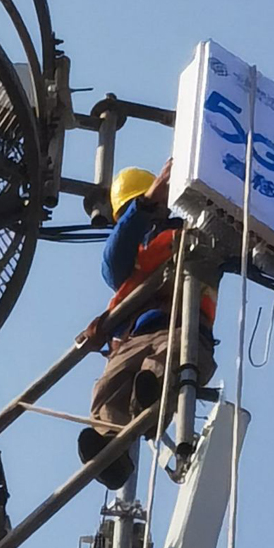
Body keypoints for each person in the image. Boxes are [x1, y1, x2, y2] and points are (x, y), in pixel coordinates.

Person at [78, 159, 218, 489]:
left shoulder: (193, 234)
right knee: (107, 388)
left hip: (183, 326)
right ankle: (111, 452)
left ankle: (150, 395)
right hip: (133, 336)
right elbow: (114, 262)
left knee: (169, 360)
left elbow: (249, 246)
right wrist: (143, 206)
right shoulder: (131, 251)